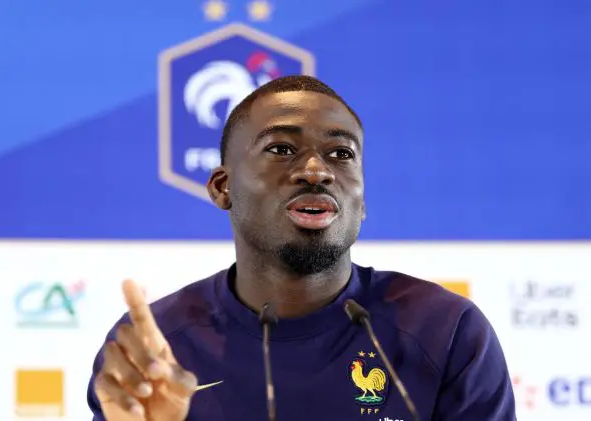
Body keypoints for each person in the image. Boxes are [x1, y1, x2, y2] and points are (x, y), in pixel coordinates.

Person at [87, 75, 516, 421]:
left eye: (341, 154)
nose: (316, 170)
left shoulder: (446, 331)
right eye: (281, 148)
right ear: (223, 187)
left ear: (362, 201)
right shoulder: (157, 348)